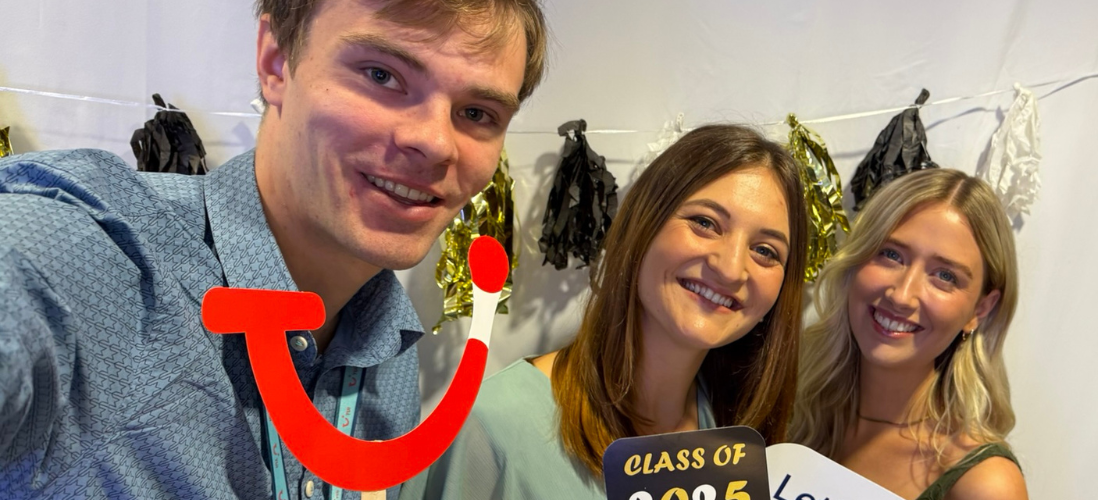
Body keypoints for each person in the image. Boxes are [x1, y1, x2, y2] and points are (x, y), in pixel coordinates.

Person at [0, 0, 547, 498]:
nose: (434, 142)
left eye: (477, 114)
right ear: (276, 60)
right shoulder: (93, 256)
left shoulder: (387, 348)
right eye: (382, 75)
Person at [412, 124, 809, 499]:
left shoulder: (735, 435)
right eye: (705, 223)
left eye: (765, 251)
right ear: (642, 226)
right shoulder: (492, 425)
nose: (730, 267)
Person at [791, 169, 1027, 500]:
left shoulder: (984, 484)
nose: (901, 295)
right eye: (891, 254)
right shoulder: (792, 408)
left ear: (980, 310)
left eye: (944, 275)